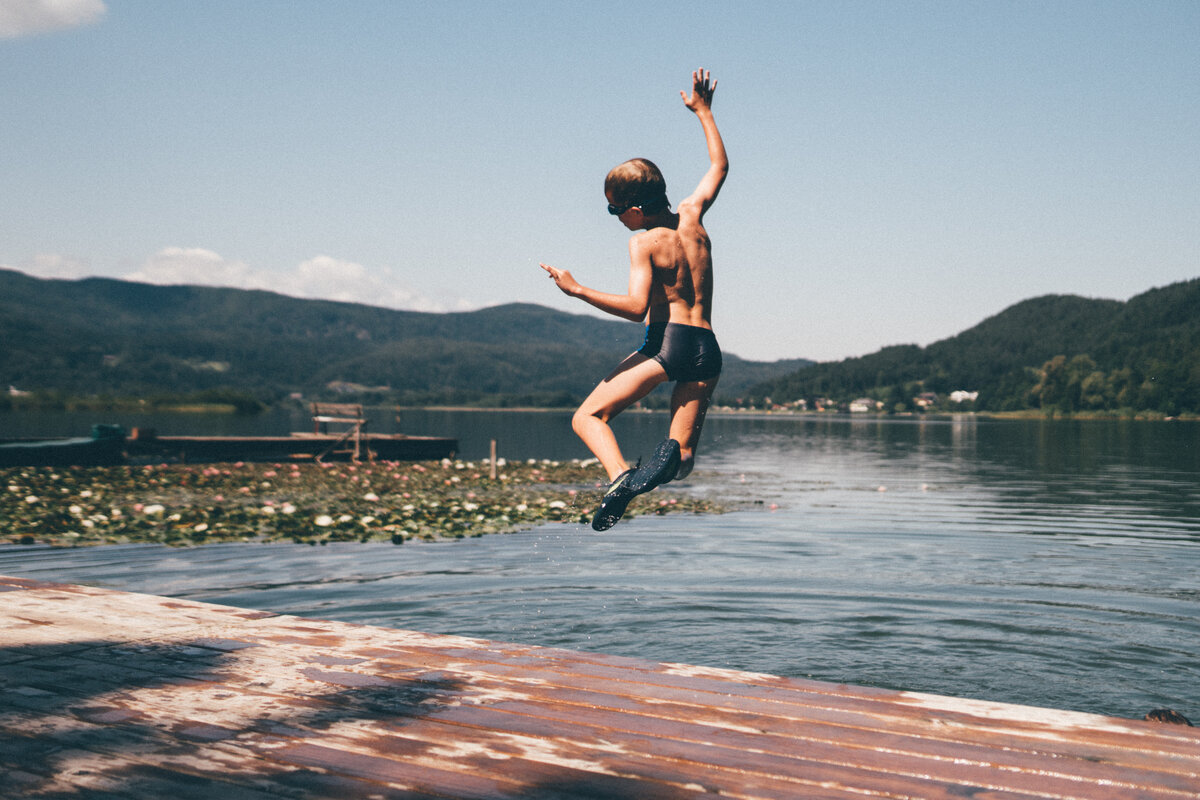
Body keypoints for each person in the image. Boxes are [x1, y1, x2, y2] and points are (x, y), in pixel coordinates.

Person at [540, 68, 729, 531]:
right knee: (683, 457)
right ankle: (666, 463)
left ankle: (620, 477)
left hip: (668, 343)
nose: (615, 218)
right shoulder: (693, 216)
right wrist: (704, 112)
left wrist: (577, 289)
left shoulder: (644, 241)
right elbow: (719, 167)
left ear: (637, 209)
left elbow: (635, 308)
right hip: (707, 348)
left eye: (614, 209)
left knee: (588, 417)